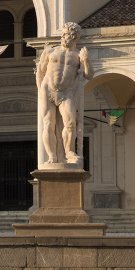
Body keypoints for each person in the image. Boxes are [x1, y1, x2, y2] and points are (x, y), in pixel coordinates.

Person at [35, 21, 93, 166]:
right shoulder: (49, 51)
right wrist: (41, 90)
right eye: (67, 34)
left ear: (76, 38)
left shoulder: (78, 55)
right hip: (48, 89)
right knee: (48, 123)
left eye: (73, 36)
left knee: (71, 123)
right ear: (62, 35)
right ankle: (52, 156)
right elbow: (40, 72)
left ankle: (69, 152)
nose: (69, 38)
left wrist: (86, 61)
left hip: (66, 93)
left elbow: (89, 75)